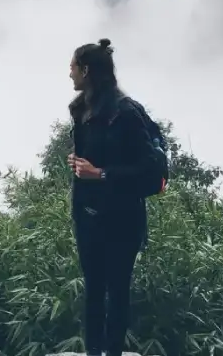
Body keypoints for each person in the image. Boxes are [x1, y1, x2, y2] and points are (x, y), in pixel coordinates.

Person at [67, 38, 159, 356]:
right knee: (93, 290)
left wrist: (100, 173)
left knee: (117, 291)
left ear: (87, 70)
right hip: (89, 218)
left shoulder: (126, 113)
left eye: (73, 67)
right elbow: (94, 159)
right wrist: (80, 165)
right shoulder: (82, 111)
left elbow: (148, 171)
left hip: (122, 220)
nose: (69, 74)